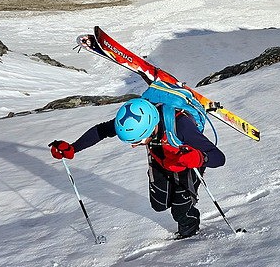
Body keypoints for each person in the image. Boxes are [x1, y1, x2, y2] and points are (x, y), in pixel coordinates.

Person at [49, 97, 225, 239]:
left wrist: (199, 157)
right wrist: (73, 147)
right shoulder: (133, 118)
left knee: (181, 208)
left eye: (138, 142)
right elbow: (101, 130)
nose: (134, 146)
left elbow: (219, 158)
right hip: (160, 160)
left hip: (187, 164)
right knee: (159, 204)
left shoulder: (181, 127)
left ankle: (190, 235)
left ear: (150, 128)